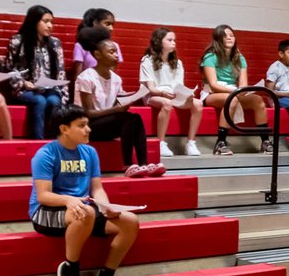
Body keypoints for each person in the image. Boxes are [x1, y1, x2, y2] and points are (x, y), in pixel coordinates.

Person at [29, 104, 141, 276]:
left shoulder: (90, 152)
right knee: (86, 212)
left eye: (87, 124)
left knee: (130, 222)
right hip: (45, 212)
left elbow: (97, 189)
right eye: (81, 125)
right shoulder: (45, 154)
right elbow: (43, 196)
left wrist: (106, 206)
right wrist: (68, 200)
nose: (88, 129)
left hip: (82, 210)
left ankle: (106, 274)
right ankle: (70, 268)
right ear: (64, 129)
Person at [76, 38, 165, 178]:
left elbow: (119, 100)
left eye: (116, 51)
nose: (116, 55)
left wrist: (132, 98)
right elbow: (88, 113)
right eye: (111, 52)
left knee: (136, 117)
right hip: (88, 126)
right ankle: (128, 165)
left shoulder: (116, 79)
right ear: (98, 55)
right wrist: (116, 110)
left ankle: (144, 164)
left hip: (107, 123)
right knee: (127, 118)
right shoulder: (86, 77)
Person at [200, 24, 270, 156]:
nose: (229, 38)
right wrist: (234, 92)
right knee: (230, 100)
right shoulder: (210, 57)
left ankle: (265, 142)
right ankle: (220, 143)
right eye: (225, 36)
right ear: (218, 39)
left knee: (258, 100)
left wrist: (243, 91)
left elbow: (243, 84)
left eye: (231, 35)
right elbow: (213, 85)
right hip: (212, 93)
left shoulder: (240, 58)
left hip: (234, 92)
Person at [6, 4, 67, 139]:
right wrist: (23, 83)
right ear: (34, 21)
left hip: (49, 89)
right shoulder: (17, 41)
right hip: (25, 89)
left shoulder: (55, 43)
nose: (50, 26)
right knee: (40, 101)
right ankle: (37, 142)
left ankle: (55, 142)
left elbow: (61, 72)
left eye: (51, 22)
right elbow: (10, 69)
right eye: (45, 22)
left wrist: (64, 95)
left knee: (53, 101)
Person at [139, 27, 202, 157]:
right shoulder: (147, 60)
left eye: (174, 40)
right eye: (170, 40)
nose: (174, 42)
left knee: (198, 103)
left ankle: (191, 143)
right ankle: (161, 143)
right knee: (167, 103)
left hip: (172, 95)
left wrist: (186, 94)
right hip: (154, 95)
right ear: (159, 41)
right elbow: (150, 88)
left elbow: (179, 86)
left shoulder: (178, 63)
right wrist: (162, 93)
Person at [71, 8, 121, 79]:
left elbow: (112, 72)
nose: (111, 28)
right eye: (107, 24)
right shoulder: (81, 46)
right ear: (95, 23)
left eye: (112, 25)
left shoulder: (114, 46)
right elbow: (78, 74)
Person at [266, 39, 289, 135]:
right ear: (281, 54)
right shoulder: (275, 68)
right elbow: (269, 91)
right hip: (278, 99)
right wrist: (287, 94)